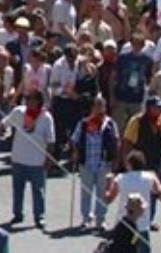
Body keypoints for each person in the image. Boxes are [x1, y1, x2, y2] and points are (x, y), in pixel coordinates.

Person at [3, 89, 55, 228]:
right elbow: (5, 124)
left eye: (33, 99)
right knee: (18, 188)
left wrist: (48, 159)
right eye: (28, 98)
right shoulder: (18, 112)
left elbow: (50, 141)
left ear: (39, 101)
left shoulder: (46, 117)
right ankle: (17, 214)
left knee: (38, 190)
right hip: (18, 158)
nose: (30, 102)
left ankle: (39, 216)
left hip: (37, 161)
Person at [69, 94, 120, 231]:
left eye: (101, 106)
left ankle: (100, 219)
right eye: (97, 106)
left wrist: (116, 161)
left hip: (104, 164)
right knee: (86, 192)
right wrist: (74, 151)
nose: (99, 109)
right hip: (86, 163)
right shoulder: (84, 123)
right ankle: (86, 219)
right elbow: (74, 139)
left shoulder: (110, 123)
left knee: (102, 193)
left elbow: (116, 142)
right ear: (92, 108)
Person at [104, 150, 161, 235]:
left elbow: (108, 199)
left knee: (122, 247)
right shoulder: (150, 177)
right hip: (142, 225)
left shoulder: (121, 178)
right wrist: (156, 180)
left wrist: (108, 183)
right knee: (142, 247)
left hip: (123, 224)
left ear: (129, 164)